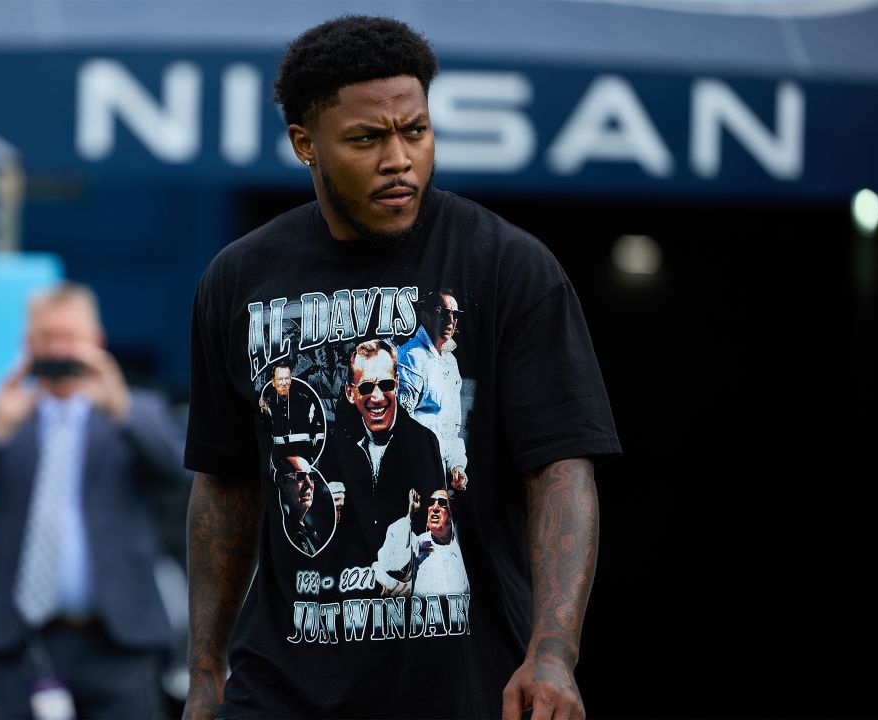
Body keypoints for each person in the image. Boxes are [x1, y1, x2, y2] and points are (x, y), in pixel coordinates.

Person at [183, 15, 620, 720]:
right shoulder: (239, 281)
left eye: (414, 131)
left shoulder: (508, 267)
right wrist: (204, 672)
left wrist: (553, 652)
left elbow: (562, 471)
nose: (399, 159)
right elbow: (225, 485)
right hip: (280, 691)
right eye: (366, 139)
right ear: (305, 145)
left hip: (465, 689)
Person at [0, 282, 188, 720]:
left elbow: (179, 472)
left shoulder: (135, 412)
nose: (59, 349)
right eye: (47, 338)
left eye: (69, 337)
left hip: (116, 640)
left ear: (97, 343)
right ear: (28, 344)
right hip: (16, 642)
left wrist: (122, 409)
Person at [320, 339, 447, 563]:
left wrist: (412, 572)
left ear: (397, 384)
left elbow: (438, 530)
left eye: (386, 385)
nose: (377, 397)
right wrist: (327, 509)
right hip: (350, 583)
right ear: (351, 393)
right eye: (367, 387)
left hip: (409, 582)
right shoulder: (335, 446)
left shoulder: (425, 443)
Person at [398, 288, 470, 490]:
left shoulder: (450, 362)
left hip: (441, 477)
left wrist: (457, 465)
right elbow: (401, 424)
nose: (450, 320)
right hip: (416, 476)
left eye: (454, 314)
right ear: (425, 316)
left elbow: (451, 426)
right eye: (442, 311)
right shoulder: (411, 356)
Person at [258, 361, 326, 461]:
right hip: (278, 456)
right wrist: (264, 413)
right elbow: (266, 432)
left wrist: (315, 454)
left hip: (303, 454)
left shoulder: (305, 400)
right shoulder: (268, 403)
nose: (284, 383)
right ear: (273, 382)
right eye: (280, 379)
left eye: (287, 378)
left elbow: (318, 430)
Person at [274, 455, 327, 556]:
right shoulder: (285, 532)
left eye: (311, 477)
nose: (309, 484)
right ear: (281, 484)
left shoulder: (310, 531)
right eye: (301, 476)